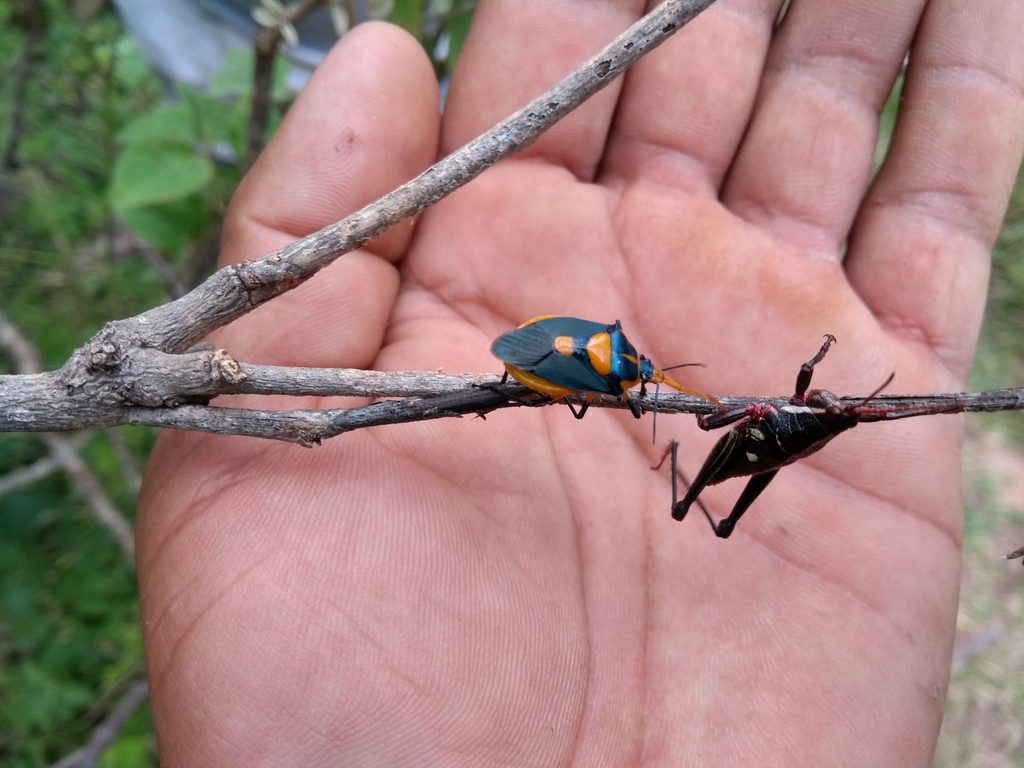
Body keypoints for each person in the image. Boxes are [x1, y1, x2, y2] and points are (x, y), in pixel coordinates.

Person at [137, 2, 1024, 765]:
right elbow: (634, 380)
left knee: (681, 423)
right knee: (660, 408)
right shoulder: (688, 391)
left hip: (743, 430)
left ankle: (695, 437)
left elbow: (660, 391)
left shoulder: (746, 411)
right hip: (730, 425)